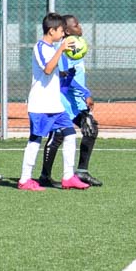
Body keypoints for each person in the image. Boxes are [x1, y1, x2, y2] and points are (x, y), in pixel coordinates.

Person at [17, 12, 88, 191]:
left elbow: (53, 72)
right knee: (35, 140)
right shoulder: (40, 47)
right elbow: (48, 69)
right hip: (40, 105)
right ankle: (25, 180)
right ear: (51, 31)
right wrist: (61, 49)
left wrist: (65, 74)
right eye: (61, 31)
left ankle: (68, 177)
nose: (63, 34)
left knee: (70, 134)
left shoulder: (53, 48)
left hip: (54, 105)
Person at [40, 14, 102, 187]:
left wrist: (83, 95)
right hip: (63, 100)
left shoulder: (77, 46)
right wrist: (86, 93)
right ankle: (45, 176)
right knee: (58, 135)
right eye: (76, 25)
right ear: (66, 31)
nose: (80, 27)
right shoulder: (64, 49)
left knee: (91, 129)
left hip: (76, 101)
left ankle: (82, 171)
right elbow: (65, 78)